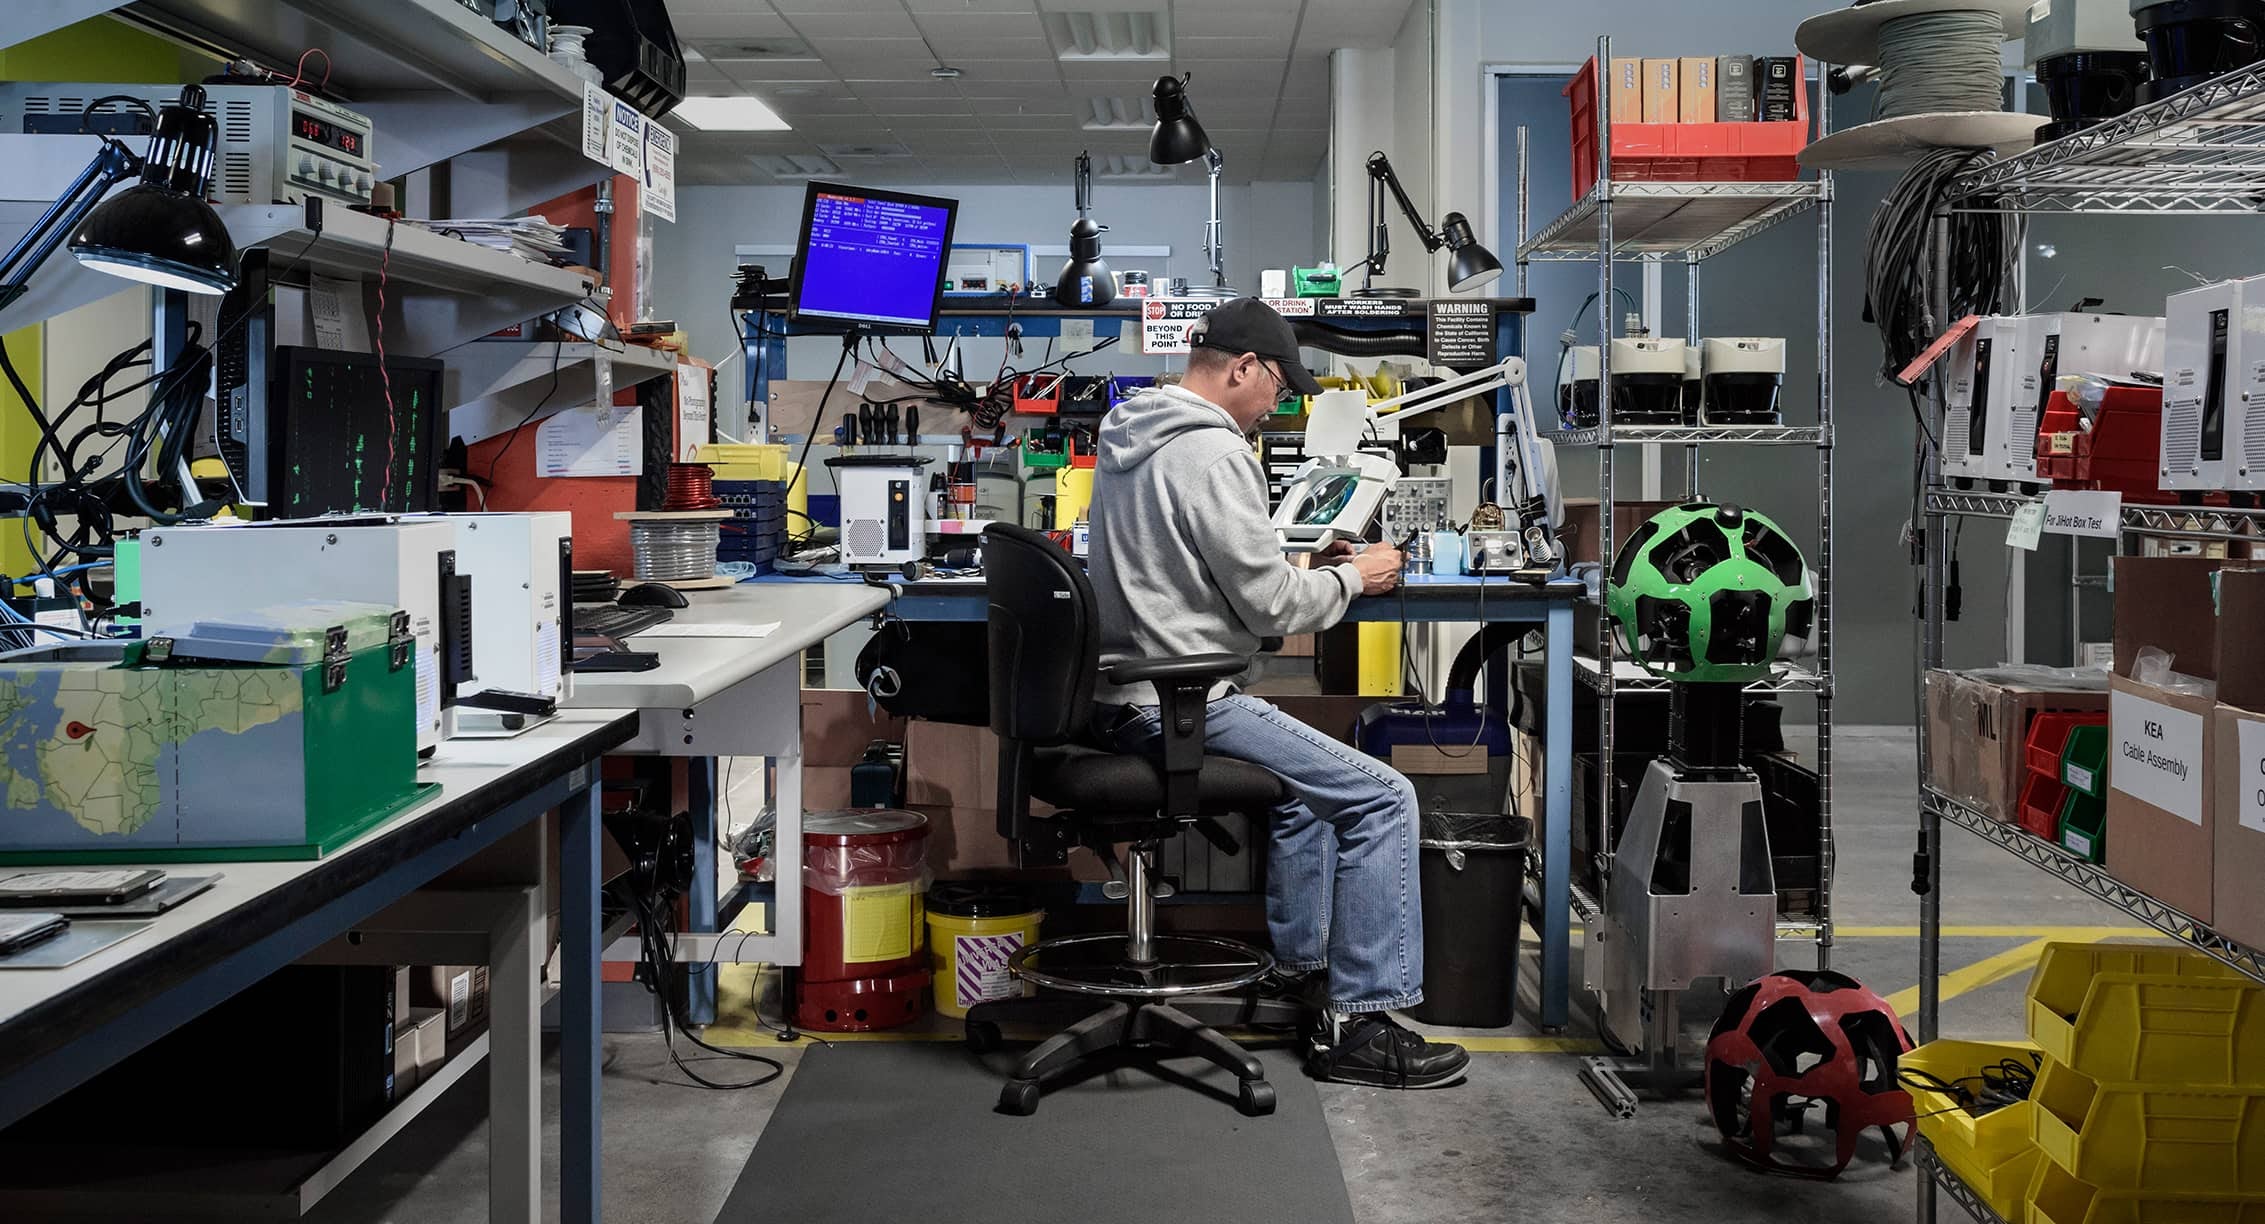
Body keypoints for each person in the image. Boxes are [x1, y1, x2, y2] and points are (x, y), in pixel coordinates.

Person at [1086, 297, 1469, 1090]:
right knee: (1382, 797)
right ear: (1242, 368)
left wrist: (1300, 569)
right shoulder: (1213, 452)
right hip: (1183, 701)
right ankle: (1362, 1026)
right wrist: (1354, 577)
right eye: (1278, 386)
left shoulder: (1127, 431)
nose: (1278, 404)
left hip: (1123, 698)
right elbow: (1269, 609)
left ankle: (1301, 974)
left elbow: (1195, 570)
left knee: (1303, 796)